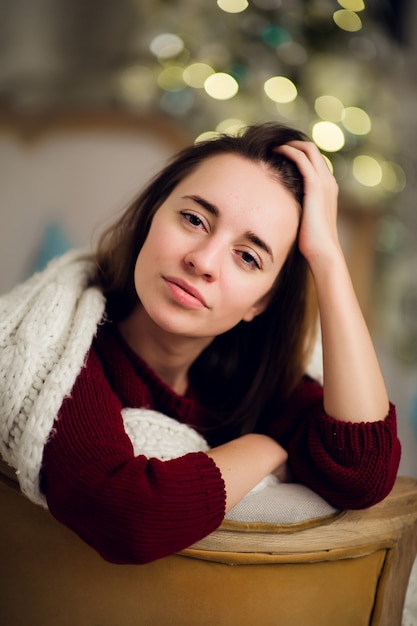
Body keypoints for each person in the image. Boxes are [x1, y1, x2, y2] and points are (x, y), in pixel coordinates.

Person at [0, 122, 401, 565]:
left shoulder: (249, 377)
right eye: (194, 219)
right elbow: (128, 517)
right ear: (153, 215)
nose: (203, 261)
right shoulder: (60, 350)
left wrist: (327, 258)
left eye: (248, 257)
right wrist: (265, 448)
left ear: (262, 301)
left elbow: (363, 472)